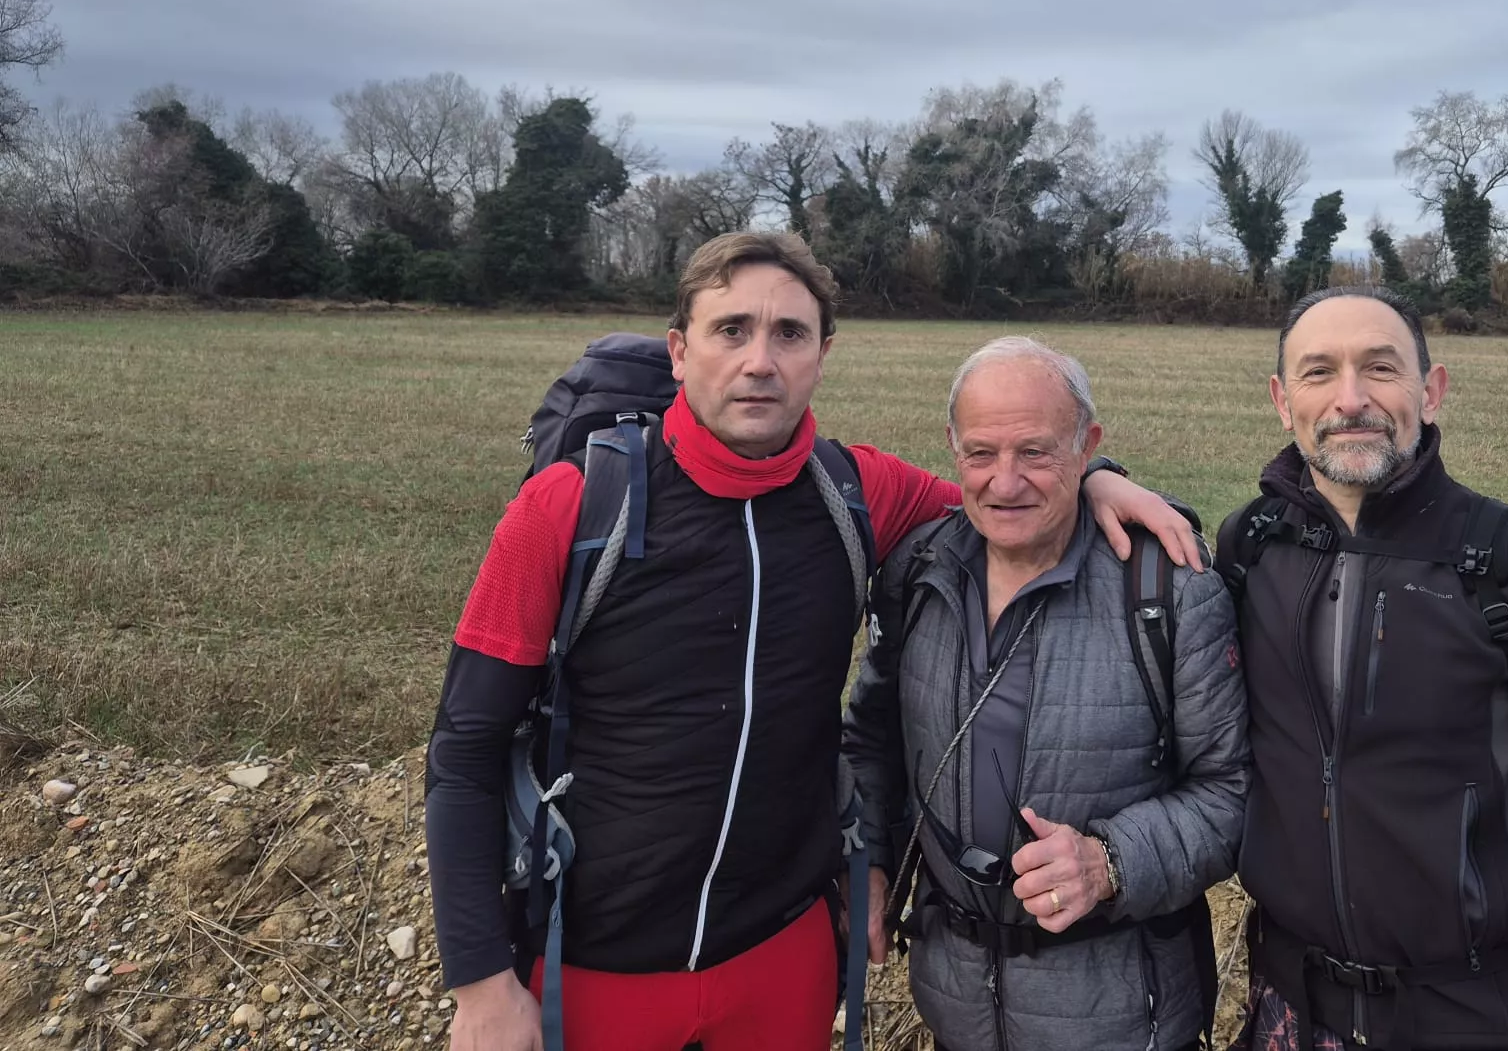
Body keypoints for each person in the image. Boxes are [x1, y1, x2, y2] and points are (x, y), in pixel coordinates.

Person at [425, 234, 1202, 1051]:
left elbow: (1002, 495)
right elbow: (464, 751)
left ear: (822, 354)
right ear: (680, 352)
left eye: (789, 334)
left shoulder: (854, 492)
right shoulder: (571, 508)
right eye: (732, 330)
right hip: (589, 966)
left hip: (784, 954)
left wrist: (1095, 471)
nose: (761, 360)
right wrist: (479, 983)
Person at [1223, 287, 1508, 1051]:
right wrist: (1099, 475)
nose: (1351, 399)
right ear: (1281, 401)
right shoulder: (1250, 549)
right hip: (1291, 1011)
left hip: (1481, 1016)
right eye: (1318, 373)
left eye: (1381, 367)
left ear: (1430, 392)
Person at [845, 337, 1249, 1051]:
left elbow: (1233, 794)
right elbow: (873, 741)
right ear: (951, 446)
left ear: (1086, 445)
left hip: (1127, 1020)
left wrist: (1111, 861)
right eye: (980, 453)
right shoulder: (917, 574)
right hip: (955, 1010)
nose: (1005, 482)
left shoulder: (1170, 594)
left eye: (1035, 452)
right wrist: (872, 862)